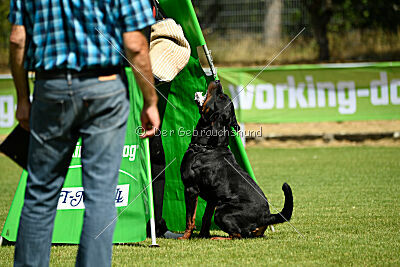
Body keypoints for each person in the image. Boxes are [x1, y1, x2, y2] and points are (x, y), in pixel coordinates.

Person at [9, 0, 159, 266]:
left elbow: (18, 39)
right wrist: (150, 102)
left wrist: (22, 98)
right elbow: (135, 45)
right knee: (100, 196)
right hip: (106, 87)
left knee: (40, 194)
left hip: (50, 86)